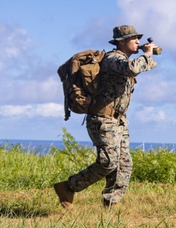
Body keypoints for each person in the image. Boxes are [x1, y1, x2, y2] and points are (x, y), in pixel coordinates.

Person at [53, 25, 159, 208]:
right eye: (133, 38)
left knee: (123, 165)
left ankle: (110, 206)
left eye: (138, 39)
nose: (138, 42)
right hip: (102, 119)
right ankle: (69, 187)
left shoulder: (122, 59)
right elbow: (132, 68)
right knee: (108, 162)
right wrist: (147, 55)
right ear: (122, 42)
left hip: (118, 121)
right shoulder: (113, 59)